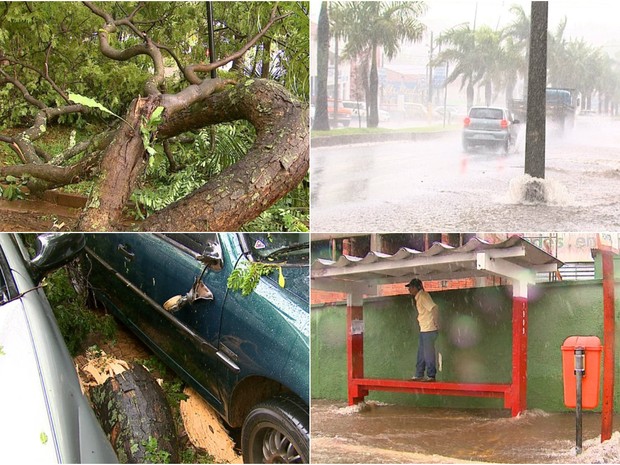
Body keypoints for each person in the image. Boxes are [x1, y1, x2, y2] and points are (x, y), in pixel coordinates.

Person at [406, 278, 438, 382]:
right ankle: (419, 374)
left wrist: (436, 323)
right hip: (424, 329)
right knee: (421, 353)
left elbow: (434, 308)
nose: (409, 289)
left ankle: (431, 375)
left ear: (415, 288)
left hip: (429, 329)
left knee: (428, 353)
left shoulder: (423, 296)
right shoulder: (419, 297)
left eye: (410, 287)